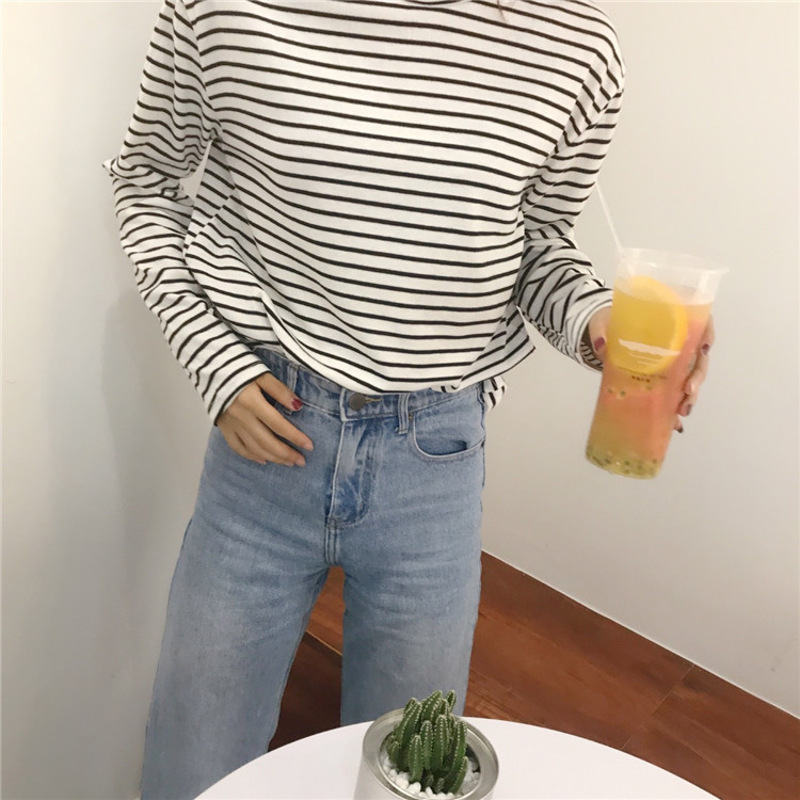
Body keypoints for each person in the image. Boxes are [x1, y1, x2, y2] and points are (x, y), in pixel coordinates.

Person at [104, 0, 712, 797]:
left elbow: (536, 245)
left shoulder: (574, 42)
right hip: (267, 443)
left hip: (435, 459)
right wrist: (211, 358)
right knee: (192, 768)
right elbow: (145, 181)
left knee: (414, 777)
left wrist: (598, 320)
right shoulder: (223, 10)